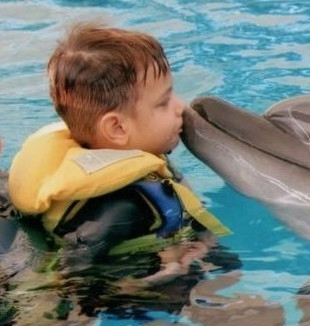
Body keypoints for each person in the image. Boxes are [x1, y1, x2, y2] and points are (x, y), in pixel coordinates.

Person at [7, 23, 231, 282]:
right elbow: (72, 276)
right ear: (117, 128)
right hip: (148, 292)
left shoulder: (142, 160)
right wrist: (153, 271)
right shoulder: (120, 208)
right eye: (163, 102)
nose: (180, 107)